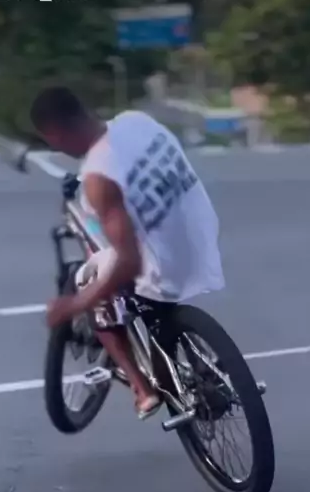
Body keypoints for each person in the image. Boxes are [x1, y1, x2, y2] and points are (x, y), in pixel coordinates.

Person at [30, 86, 225, 419]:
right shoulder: (137, 122)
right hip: (200, 236)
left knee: (90, 280)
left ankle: (141, 388)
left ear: (55, 135)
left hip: (163, 267)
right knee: (120, 257)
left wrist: (74, 305)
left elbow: (129, 262)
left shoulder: (97, 178)